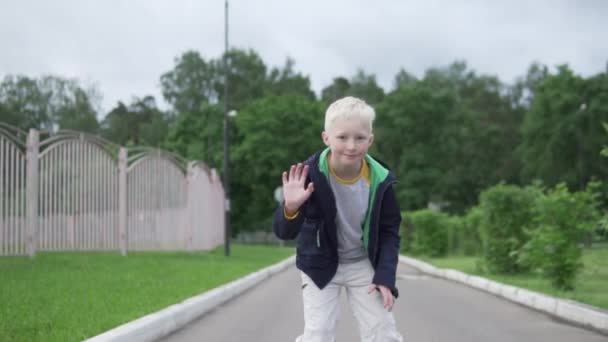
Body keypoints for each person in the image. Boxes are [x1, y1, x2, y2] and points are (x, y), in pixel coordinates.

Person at [273, 96, 403, 342]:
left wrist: (385, 277)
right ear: (326, 138)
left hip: (363, 263)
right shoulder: (308, 175)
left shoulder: (381, 180)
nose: (351, 146)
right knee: (319, 333)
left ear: (370, 140)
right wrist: (291, 206)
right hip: (319, 263)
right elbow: (284, 232)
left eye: (360, 138)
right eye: (342, 137)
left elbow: (389, 232)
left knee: (382, 332)